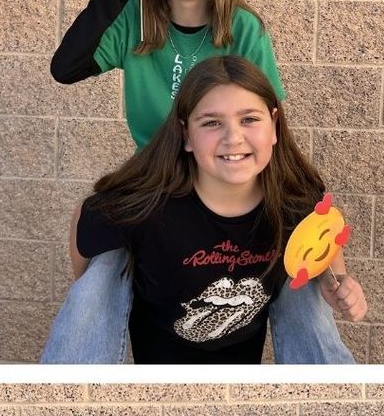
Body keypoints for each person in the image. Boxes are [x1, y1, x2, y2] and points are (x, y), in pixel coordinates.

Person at [42, 0, 352, 363]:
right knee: (101, 274)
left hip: (228, 177)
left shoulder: (242, 28)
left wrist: (329, 265)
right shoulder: (137, 21)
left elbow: (264, 116)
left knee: (295, 276)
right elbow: (65, 68)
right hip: (159, 179)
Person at [68, 55, 366, 364]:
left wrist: (338, 281)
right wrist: (91, 303)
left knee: (301, 269)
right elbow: (85, 220)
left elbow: (324, 236)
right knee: (104, 266)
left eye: (249, 119)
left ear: (274, 126)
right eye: (212, 123)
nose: (233, 137)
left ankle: (325, 390)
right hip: (161, 370)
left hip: (237, 372)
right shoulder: (148, 208)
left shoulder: (293, 202)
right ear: (186, 135)